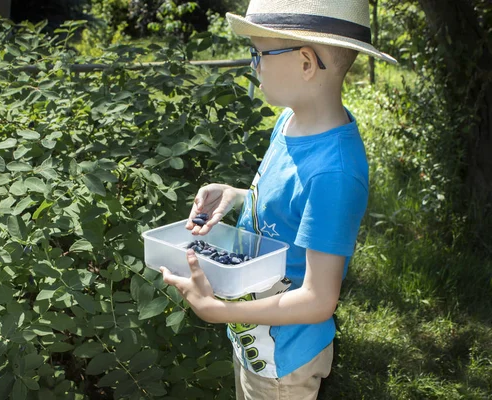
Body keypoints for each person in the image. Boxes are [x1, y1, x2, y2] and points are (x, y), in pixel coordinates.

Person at [160, 0, 397, 398]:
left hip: (284, 365)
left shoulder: (334, 173)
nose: (253, 66)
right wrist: (235, 195)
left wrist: (220, 311)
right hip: (255, 338)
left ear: (306, 64)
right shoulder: (289, 121)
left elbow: (319, 299)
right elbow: (285, 200)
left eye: (259, 53)